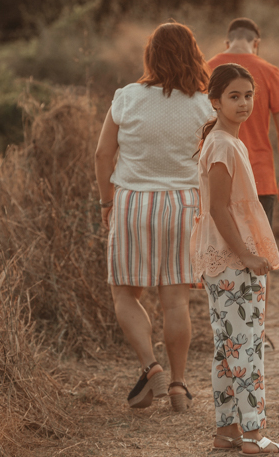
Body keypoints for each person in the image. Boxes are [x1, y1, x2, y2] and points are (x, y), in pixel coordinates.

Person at [95, 22, 212, 411]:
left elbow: (102, 155)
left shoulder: (127, 97)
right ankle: (178, 385)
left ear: (150, 55)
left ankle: (150, 367)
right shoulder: (204, 103)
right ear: (194, 54)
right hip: (183, 205)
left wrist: (105, 203)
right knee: (176, 301)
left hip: (133, 203)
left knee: (124, 293)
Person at [191, 63, 279, 454]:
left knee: (228, 349)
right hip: (232, 262)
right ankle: (252, 433)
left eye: (248, 95)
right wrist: (247, 253)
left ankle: (226, 432)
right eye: (234, 96)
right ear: (215, 102)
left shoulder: (227, 142)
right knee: (247, 349)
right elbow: (218, 208)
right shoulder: (223, 145)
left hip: (229, 261)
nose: (244, 103)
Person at [207, 18, 279, 350]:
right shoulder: (268, 70)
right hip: (260, 176)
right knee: (259, 255)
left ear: (227, 41)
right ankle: (256, 328)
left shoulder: (208, 68)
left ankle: (225, 327)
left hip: (219, 172)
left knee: (221, 250)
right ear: (257, 42)